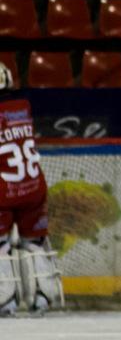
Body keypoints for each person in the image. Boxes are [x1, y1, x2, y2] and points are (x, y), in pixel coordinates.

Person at [0, 60, 62, 316]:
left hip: (3, 191)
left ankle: (6, 301)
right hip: (34, 186)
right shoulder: (22, 108)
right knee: (34, 242)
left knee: (1, 246)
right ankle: (43, 297)